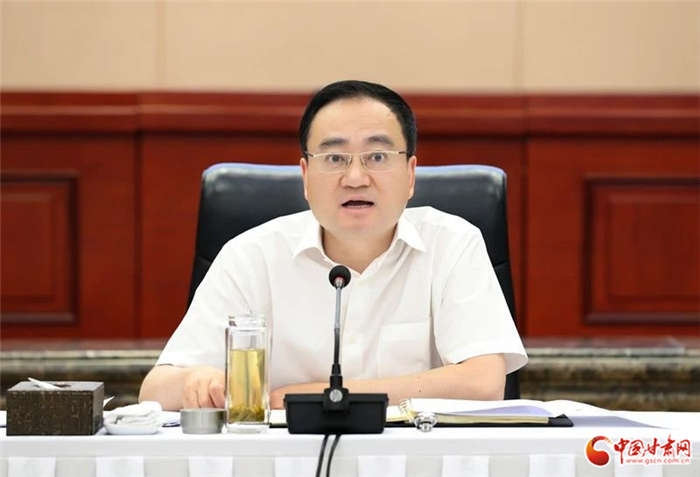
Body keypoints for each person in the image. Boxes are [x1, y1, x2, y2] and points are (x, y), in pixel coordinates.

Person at [139, 80, 527, 411]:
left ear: (410, 174)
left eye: (378, 156)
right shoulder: (250, 256)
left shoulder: (452, 243)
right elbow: (154, 392)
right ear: (306, 176)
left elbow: (483, 384)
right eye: (335, 157)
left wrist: (309, 397)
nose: (355, 177)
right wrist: (197, 379)